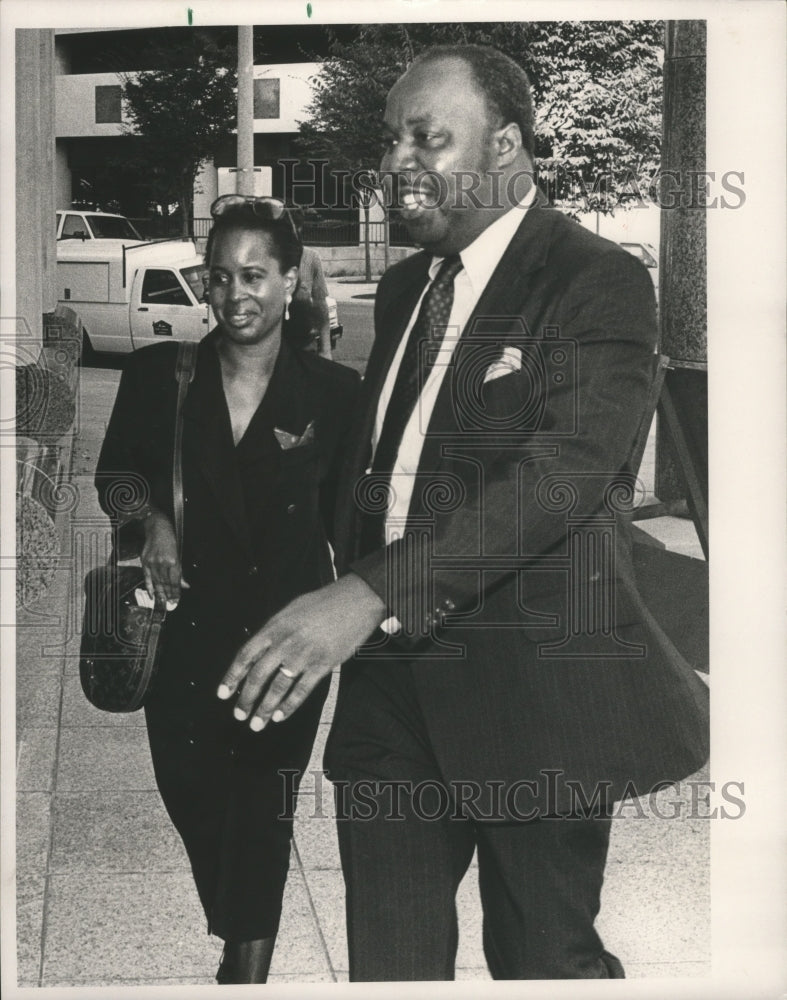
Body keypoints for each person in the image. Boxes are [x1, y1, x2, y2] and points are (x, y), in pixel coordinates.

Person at [218, 45, 710, 980]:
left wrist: (369, 591)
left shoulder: (594, 278)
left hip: (535, 688)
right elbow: (385, 468)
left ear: (509, 146)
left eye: (427, 137)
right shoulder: (407, 288)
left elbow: (561, 475)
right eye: (390, 138)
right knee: (390, 966)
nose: (396, 159)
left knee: (540, 960)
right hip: (390, 696)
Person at [95, 195, 359, 983]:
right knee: (191, 790)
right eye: (220, 277)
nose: (235, 293)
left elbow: (350, 524)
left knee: (263, 801)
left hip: (286, 633)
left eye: (254, 275)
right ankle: (237, 918)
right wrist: (153, 526)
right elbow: (117, 480)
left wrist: (368, 617)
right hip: (180, 627)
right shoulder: (158, 377)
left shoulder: (335, 396)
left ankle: (247, 961)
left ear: (288, 283)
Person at [289, 208, 332, 358]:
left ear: (300, 229)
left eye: (295, 229)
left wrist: (326, 349)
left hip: (305, 343)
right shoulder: (270, 260)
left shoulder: (311, 258)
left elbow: (321, 304)